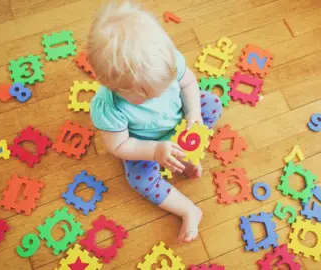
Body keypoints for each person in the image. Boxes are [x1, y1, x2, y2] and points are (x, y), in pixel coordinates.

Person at [87, 1, 222, 243]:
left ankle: (187, 156)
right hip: (146, 144)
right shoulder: (108, 107)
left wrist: (193, 115)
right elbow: (119, 147)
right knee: (138, 179)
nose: (159, 96)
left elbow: (188, 83)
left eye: (164, 85)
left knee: (211, 103)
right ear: (110, 85)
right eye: (147, 95)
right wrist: (154, 151)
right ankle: (188, 209)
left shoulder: (165, 60)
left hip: (180, 124)